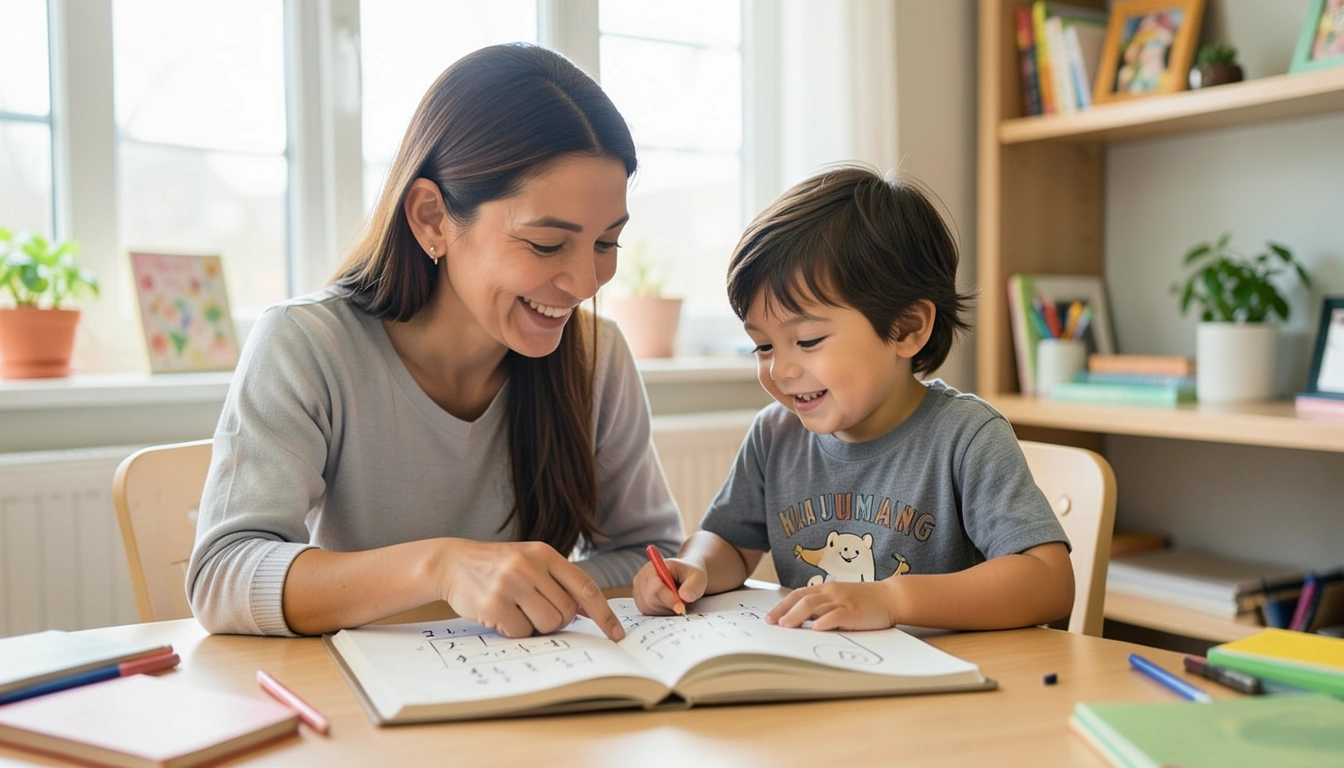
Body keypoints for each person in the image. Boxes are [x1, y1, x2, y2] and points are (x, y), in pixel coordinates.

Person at [187, 43, 683, 640]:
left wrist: (561, 586)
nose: (584, 283)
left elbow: (646, 553)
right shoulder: (307, 346)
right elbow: (222, 575)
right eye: (548, 244)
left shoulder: (595, 357)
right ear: (430, 218)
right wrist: (441, 568)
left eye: (607, 244)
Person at [632, 165, 1074, 631]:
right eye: (763, 345)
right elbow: (730, 542)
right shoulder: (774, 436)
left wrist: (891, 599)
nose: (780, 370)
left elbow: (1048, 580)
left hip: (948, 685)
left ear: (907, 329)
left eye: (807, 341)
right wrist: (696, 566)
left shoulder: (967, 438)